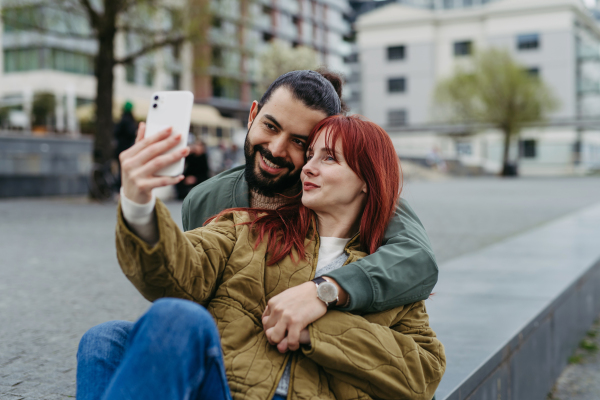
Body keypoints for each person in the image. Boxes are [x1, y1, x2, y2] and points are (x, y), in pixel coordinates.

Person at [77, 114, 445, 400]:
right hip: (225, 390)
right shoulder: (248, 228)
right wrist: (139, 204)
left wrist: (313, 323)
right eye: (311, 154)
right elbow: (179, 268)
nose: (309, 167)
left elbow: (423, 375)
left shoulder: (389, 274)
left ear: (366, 178)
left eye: (329, 158)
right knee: (107, 339)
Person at [182, 70, 438, 351]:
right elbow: (191, 282)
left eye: (299, 142)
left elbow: (418, 259)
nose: (276, 149)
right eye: (270, 126)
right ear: (252, 114)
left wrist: (325, 290)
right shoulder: (204, 200)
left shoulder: (343, 195)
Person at [113, 101, 137, 190]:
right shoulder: (129, 121)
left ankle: (119, 189)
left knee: (121, 170)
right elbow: (132, 133)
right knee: (125, 171)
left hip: (120, 149)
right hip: (128, 149)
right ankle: (123, 189)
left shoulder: (121, 120)